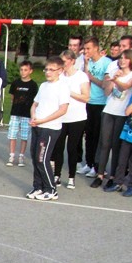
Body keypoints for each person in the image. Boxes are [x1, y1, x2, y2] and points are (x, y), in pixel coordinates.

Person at [92, 49, 132, 189]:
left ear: (131, 60)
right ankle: (100, 175)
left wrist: (116, 79)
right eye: (121, 58)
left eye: (125, 58)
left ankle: (113, 176)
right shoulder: (115, 72)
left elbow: (125, 87)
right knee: (104, 144)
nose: (122, 60)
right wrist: (112, 79)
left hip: (122, 113)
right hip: (109, 110)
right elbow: (107, 92)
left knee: (116, 145)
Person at [26, 56, 69, 200]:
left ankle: (51, 189)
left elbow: (63, 110)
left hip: (50, 128)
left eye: (52, 69)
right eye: (46, 69)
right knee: (34, 157)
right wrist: (33, 117)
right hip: (37, 126)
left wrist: (43, 120)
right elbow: (35, 104)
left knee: (42, 159)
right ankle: (38, 187)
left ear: (60, 71)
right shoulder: (44, 86)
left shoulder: (62, 87)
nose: (48, 72)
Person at [51, 49, 90, 188]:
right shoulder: (60, 76)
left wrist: (70, 92)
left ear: (72, 61)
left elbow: (86, 97)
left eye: (65, 61)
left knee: (72, 148)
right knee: (58, 147)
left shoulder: (81, 76)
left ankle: (71, 177)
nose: (63, 64)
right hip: (61, 117)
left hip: (77, 118)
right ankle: (57, 175)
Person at [80, 36, 111, 177]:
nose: (86, 51)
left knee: (97, 136)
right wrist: (86, 65)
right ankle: (88, 163)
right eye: (85, 48)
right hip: (88, 102)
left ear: (96, 48)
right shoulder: (87, 62)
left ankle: (97, 165)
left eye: (88, 48)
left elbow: (105, 85)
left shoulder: (107, 63)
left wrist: (91, 77)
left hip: (101, 103)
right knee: (89, 135)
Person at [5, 60, 37, 167]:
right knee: (12, 134)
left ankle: (21, 156)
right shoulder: (15, 83)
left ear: (30, 71)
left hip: (26, 114)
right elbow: (12, 97)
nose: (23, 72)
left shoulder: (33, 85)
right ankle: (11, 155)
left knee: (24, 136)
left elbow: (35, 100)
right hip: (15, 113)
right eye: (21, 70)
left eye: (25, 70)